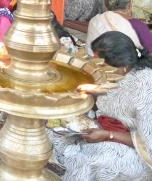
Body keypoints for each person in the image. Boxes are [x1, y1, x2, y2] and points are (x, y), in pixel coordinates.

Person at [50, 31, 152, 181]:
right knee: (54, 136)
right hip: (107, 127)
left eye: (101, 64)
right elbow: (113, 95)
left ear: (121, 64)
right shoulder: (125, 73)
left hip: (138, 153)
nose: (98, 68)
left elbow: (147, 143)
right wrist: (93, 90)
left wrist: (108, 135)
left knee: (85, 160)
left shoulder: (144, 88)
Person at [86, 0, 152, 56]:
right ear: (129, 4)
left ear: (106, 4)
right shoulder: (138, 25)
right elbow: (149, 52)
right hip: (126, 66)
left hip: (96, 64)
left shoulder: (95, 20)